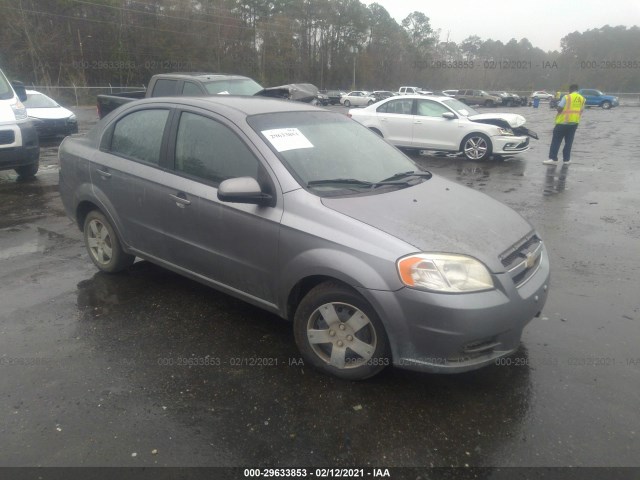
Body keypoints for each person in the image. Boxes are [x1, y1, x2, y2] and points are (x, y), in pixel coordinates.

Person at [543, 84, 586, 165]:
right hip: (574, 123)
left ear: (570, 90)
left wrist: (557, 107)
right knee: (569, 142)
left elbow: (559, 109)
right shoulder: (582, 99)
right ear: (577, 90)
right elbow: (581, 110)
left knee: (556, 141)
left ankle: (553, 158)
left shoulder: (567, 97)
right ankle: (566, 160)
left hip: (562, 123)